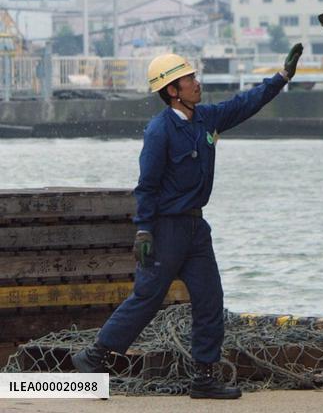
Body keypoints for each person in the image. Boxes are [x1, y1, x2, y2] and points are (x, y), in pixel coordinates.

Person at [73, 43, 303, 400]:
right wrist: (144, 229)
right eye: (188, 79)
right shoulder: (159, 132)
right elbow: (146, 185)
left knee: (210, 299)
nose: (197, 82)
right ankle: (94, 357)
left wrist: (282, 77)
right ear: (172, 91)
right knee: (148, 297)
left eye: (193, 76)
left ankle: (204, 378)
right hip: (166, 229)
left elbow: (244, 104)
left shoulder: (206, 118)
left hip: (197, 228)